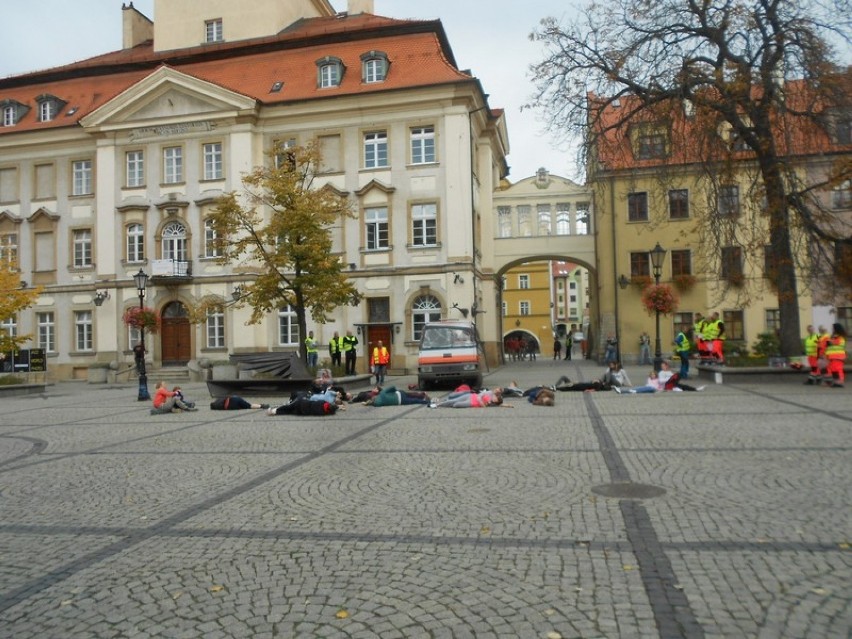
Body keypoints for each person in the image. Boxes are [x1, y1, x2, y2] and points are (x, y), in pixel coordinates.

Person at [431, 387, 509, 408]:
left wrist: (508, 405)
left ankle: (445, 403)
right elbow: (480, 395)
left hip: (471, 403)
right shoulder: (489, 393)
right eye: (496, 397)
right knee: (453, 399)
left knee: (455, 404)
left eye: (496, 400)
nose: (495, 398)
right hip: (471, 396)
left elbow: (500, 404)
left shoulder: (492, 404)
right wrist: (481, 402)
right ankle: (438, 404)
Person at [824, 323, 847, 388]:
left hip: (838, 356)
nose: (832, 329)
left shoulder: (840, 337)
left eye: (833, 328)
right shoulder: (834, 336)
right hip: (832, 356)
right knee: (834, 370)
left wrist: (829, 341)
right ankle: (836, 382)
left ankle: (839, 382)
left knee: (838, 369)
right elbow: (828, 344)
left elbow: (831, 343)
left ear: (836, 328)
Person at [267, 398, 338, 416]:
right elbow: (331, 411)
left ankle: (274, 410)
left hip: (302, 404)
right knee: (288, 412)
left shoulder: (323, 402)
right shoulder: (323, 413)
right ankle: (274, 412)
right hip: (302, 412)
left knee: (288, 407)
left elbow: (314, 401)